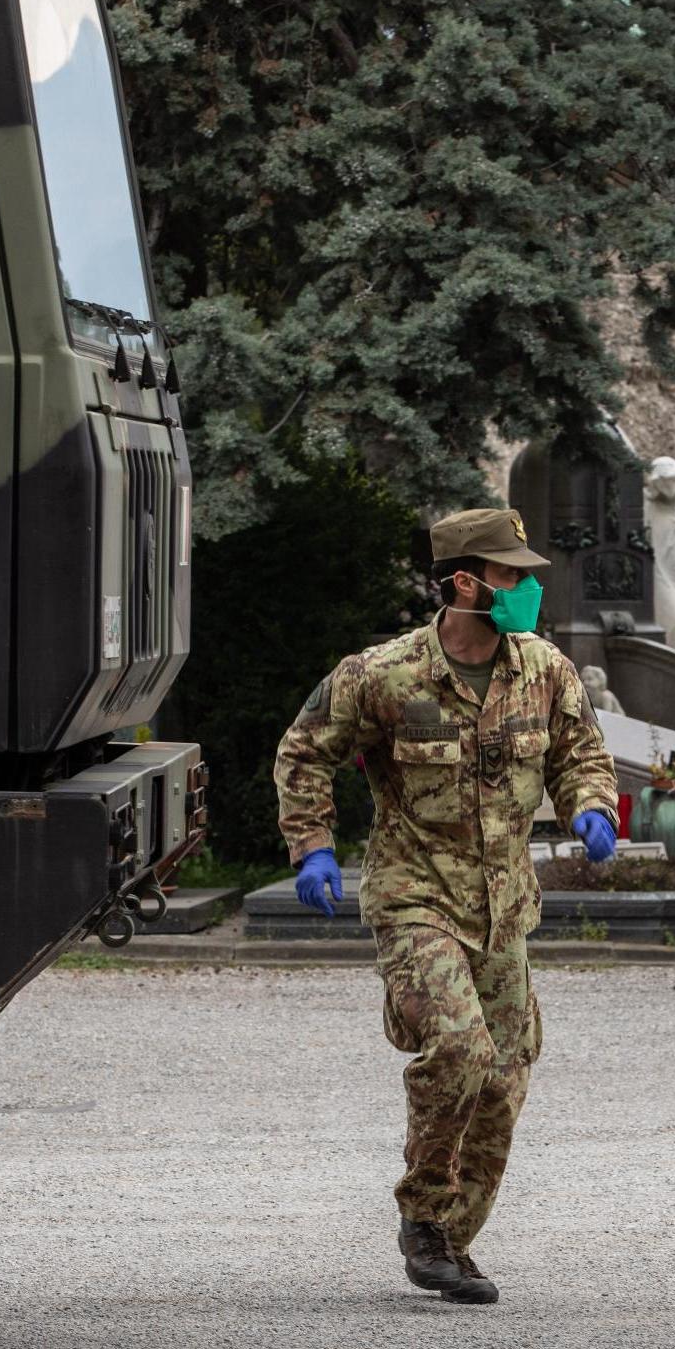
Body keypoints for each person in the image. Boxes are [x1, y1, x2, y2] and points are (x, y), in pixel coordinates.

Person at [274, 508, 620, 1305]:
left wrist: (590, 805)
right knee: (461, 1050)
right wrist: (312, 845)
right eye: (511, 575)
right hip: (415, 895)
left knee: (502, 1077)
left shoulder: (545, 670)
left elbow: (581, 753)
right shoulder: (384, 673)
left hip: (503, 907)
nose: (528, 587)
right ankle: (423, 1219)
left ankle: (451, 1242)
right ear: (466, 581)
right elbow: (304, 749)